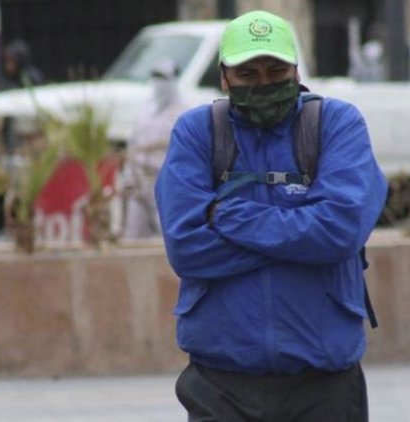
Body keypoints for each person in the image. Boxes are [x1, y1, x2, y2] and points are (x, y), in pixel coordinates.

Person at [154, 10, 388, 421]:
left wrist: (225, 214)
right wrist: (301, 229)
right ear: (225, 78)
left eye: (275, 70)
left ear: (296, 70)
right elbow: (187, 248)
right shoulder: (196, 132)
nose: (264, 82)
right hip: (220, 386)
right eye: (248, 73)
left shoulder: (337, 124)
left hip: (324, 383)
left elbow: (340, 232)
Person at [122, 59, 187, 239]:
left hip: (165, 180)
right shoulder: (146, 109)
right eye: (156, 77)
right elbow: (133, 145)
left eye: (164, 77)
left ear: (173, 79)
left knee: (166, 232)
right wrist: (128, 177)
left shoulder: (183, 112)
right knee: (133, 234)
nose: (159, 83)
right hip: (140, 178)